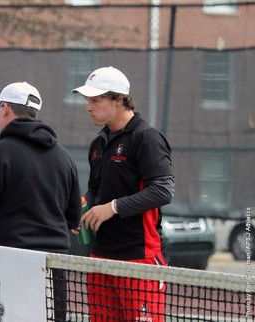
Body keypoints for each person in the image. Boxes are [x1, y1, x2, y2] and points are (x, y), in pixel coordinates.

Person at [0, 81, 81, 322]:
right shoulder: (65, 159)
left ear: (5, 109)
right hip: (54, 265)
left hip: (7, 261)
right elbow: (73, 218)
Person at [71, 66, 175, 321]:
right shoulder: (99, 143)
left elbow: (163, 190)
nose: (89, 107)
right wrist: (84, 208)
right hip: (100, 258)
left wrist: (113, 207)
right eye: (87, 101)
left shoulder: (146, 138)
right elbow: (95, 190)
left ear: (119, 100)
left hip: (140, 259)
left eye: (96, 100)